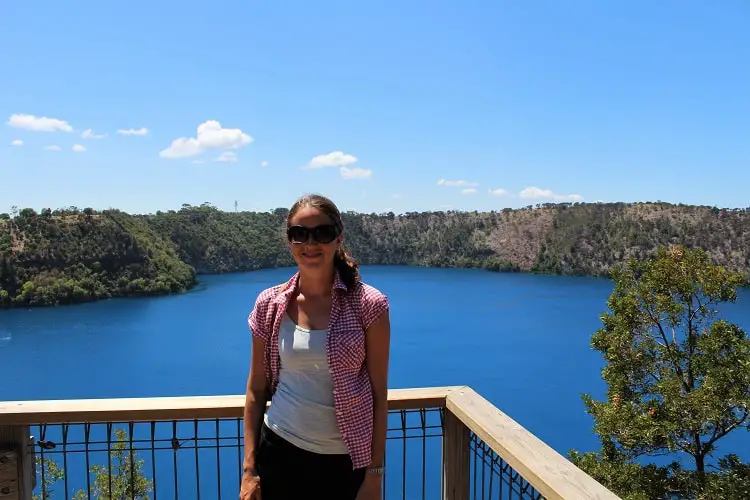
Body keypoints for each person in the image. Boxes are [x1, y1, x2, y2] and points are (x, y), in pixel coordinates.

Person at [240, 194, 391, 500]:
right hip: (279, 453)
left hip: (344, 463)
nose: (310, 244)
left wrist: (374, 475)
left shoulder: (368, 305)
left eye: (321, 233)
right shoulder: (269, 304)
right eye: (299, 234)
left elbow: (378, 395)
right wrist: (249, 470)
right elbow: (257, 389)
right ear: (289, 241)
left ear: (338, 238)